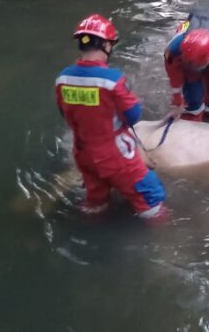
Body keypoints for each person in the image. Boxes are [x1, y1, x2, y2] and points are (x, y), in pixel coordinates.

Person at [56, 14, 167, 219]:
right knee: (151, 196)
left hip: (82, 153)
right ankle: (165, 238)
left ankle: (93, 227)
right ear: (106, 44)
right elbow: (133, 115)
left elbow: (64, 113)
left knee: (95, 199)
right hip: (114, 154)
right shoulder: (112, 80)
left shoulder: (63, 78)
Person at [164, 9, 209, 122]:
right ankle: (193, 112)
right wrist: (177, 103)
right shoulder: (172, 51)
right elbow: (174, 77)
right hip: (188, 61)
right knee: (193, 98)